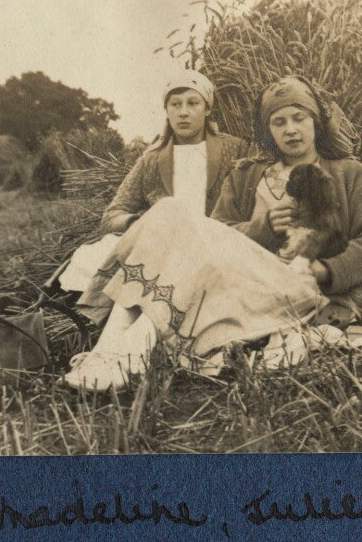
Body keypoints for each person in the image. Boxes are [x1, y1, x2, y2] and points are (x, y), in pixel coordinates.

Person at [63, 69, 250, 390]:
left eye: (193, 103)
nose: (184, 111)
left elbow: (251, 202)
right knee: (157, 245)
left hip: (213, 245)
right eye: (175, 104)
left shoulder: (235, 150)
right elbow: (113, 214)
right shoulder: (153, 160)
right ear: (166, 110)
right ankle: (109, 355)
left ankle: (123, 354)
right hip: (162, 247)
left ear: (208, 109)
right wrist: (141, 224)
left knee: (168, 265)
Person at [211, 75, 362, 309]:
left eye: (299, 119)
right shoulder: (243, 176)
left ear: (315, 122)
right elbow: (215, 234)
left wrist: (325, 270)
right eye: (279, 122)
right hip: (255, 286)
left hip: (322, 292)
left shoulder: (349, 173)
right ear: (268, 130)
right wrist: (263, 228)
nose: (290, 130)